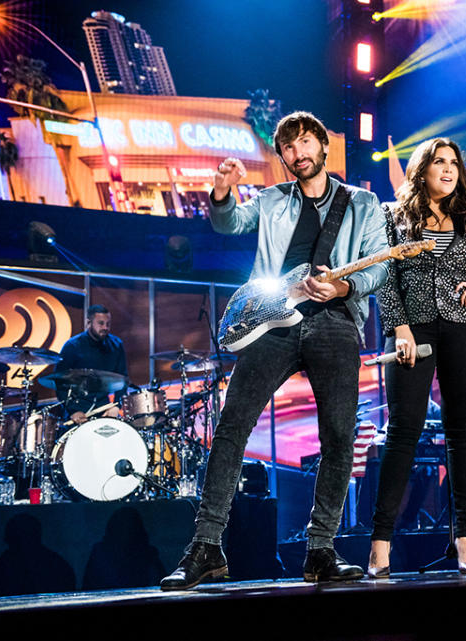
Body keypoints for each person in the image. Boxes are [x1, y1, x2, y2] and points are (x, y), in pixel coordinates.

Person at [160, 111, 389, 589]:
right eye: (288, 147)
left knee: (339, 438)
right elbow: (229, 222)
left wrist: (344, 291)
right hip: (272, 322)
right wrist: (221, 191)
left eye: (306, 142)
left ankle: (321, 550)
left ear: (324, 147)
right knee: (231, 427)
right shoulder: (271, 199)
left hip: (334, 321)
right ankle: (206, 546)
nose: (298, 152)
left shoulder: (364, 203)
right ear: (282, 156)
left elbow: (379, 268)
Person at [367, 137, 466, 577]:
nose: (449, 169)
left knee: (461, 433)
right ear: (423, 169)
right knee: (402, 433)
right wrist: (400, 330)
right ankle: (380, 544)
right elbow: (385, 278)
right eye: (440, 162)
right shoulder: (393, 217)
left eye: (454, 162)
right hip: (412, 332)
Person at [54, 304, 127, 424]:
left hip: (104, 406)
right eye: (101, 323)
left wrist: (116, 406)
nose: (105, 327)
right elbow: (60, 382)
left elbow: (122, 379)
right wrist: (72, 410)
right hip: (77, 407)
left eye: (108, 324)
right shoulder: (72, 346)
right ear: (89, 322)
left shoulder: (116, 345)